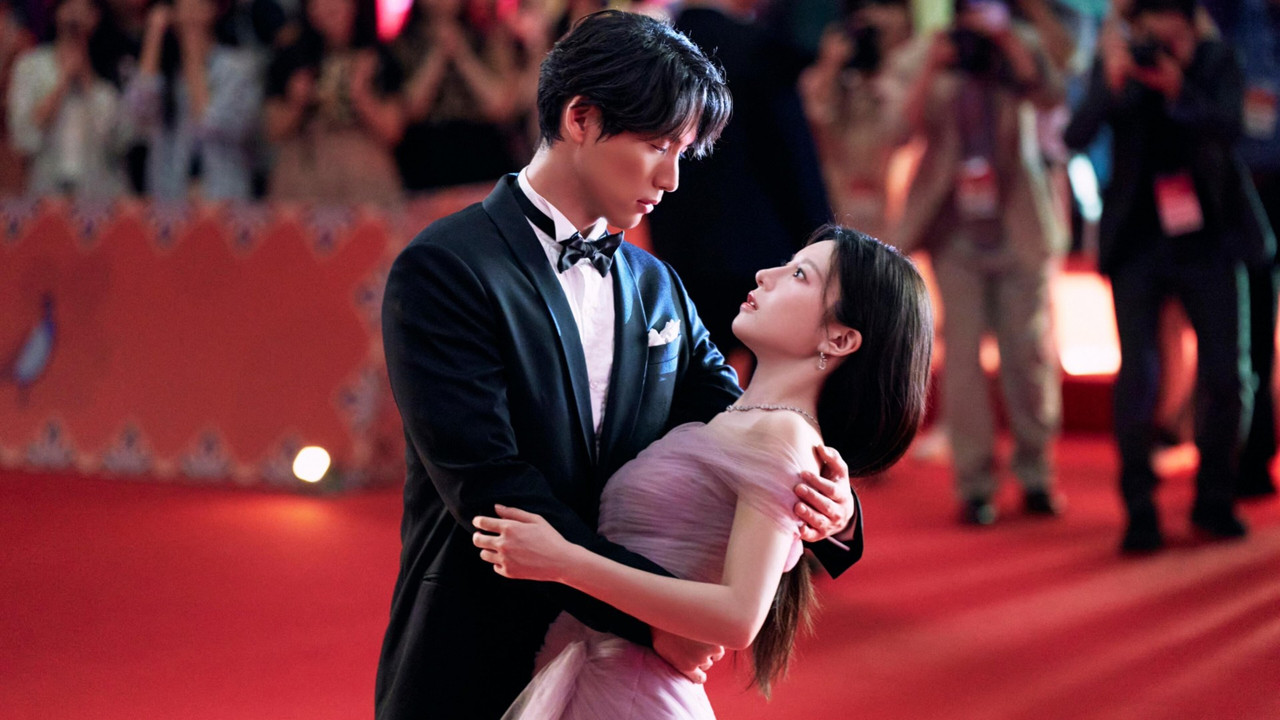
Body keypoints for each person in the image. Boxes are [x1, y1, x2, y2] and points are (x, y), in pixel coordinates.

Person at [375, 11, 862, 720]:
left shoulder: (655, 285)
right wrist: (656, 621)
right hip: (478, 647)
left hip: (616, 675)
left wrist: (837, 509)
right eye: (658, 146)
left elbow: (736, 422)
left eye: (682, 153)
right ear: (580, 118)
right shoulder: (446, 267)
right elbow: (489, 486)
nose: (672, 178)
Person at [473, 225, 933, 719]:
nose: (766, 273)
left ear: (839, 338)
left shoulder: (782, 435)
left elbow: (738, 619)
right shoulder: (741, 419)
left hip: (631, 690)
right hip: (593, 668)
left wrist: (566, 561)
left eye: (800, 274)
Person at [1064, 0, 1275, 552]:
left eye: (1168, 19)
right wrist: (1111, 84)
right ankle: (1139, 508)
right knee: (1139, 374)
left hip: (1212, 237)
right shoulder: (1119, 61)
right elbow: (1075, 135)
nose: (1157, 32)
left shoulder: (1216, 60)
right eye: (1146, 20)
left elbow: (1233, 129)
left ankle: (1215, 497)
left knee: (1228, 374)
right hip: (1139, 240)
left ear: (1189, 20)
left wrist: (1180, 88)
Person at [886, 0, 1067, 525]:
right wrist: (932, 66)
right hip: (954, 231)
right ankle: (975, 484)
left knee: (1027, 355)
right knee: (962, 360)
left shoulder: (1018, 44)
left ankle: (1036, 473)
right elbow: (898, 130)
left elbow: (1052, 95)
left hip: (1020, 224)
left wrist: (1007, 41)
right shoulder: (931, 52)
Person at [649, 0, 833, 379]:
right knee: (770, 386)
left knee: (692, 383)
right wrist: (822, 242)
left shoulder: (654, 54)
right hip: (763, 253)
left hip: (683, 256)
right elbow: (793, 160)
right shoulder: (759, 50)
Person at [264, 0, 404, 204]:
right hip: (303, 174)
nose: (330, 7)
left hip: (364, 175)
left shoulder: (378, 58)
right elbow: (273, 130)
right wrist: (297, 102)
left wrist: (361, 94)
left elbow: (392, 131)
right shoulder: (290, 58)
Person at [123, 0, 263, 200]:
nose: (190, 12)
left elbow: (211, 123)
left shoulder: (237, 68)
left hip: (222, 196)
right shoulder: (166, 68)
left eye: (198, 4)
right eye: (182, 5)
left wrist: (193, 58)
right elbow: (138, 114)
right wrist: (154, 35)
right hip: (168, 197)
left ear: (214, 10)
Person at [7, 0, 131, 199]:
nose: (76, 16)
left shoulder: (110, 71)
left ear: (96, 17)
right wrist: (63, 81)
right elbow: (23, 137)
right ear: (57, 13)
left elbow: (120, 142)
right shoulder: (30, 66)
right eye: (70, 6)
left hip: (100, 195)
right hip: (46, 192)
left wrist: (88, 82)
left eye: (85, 9)